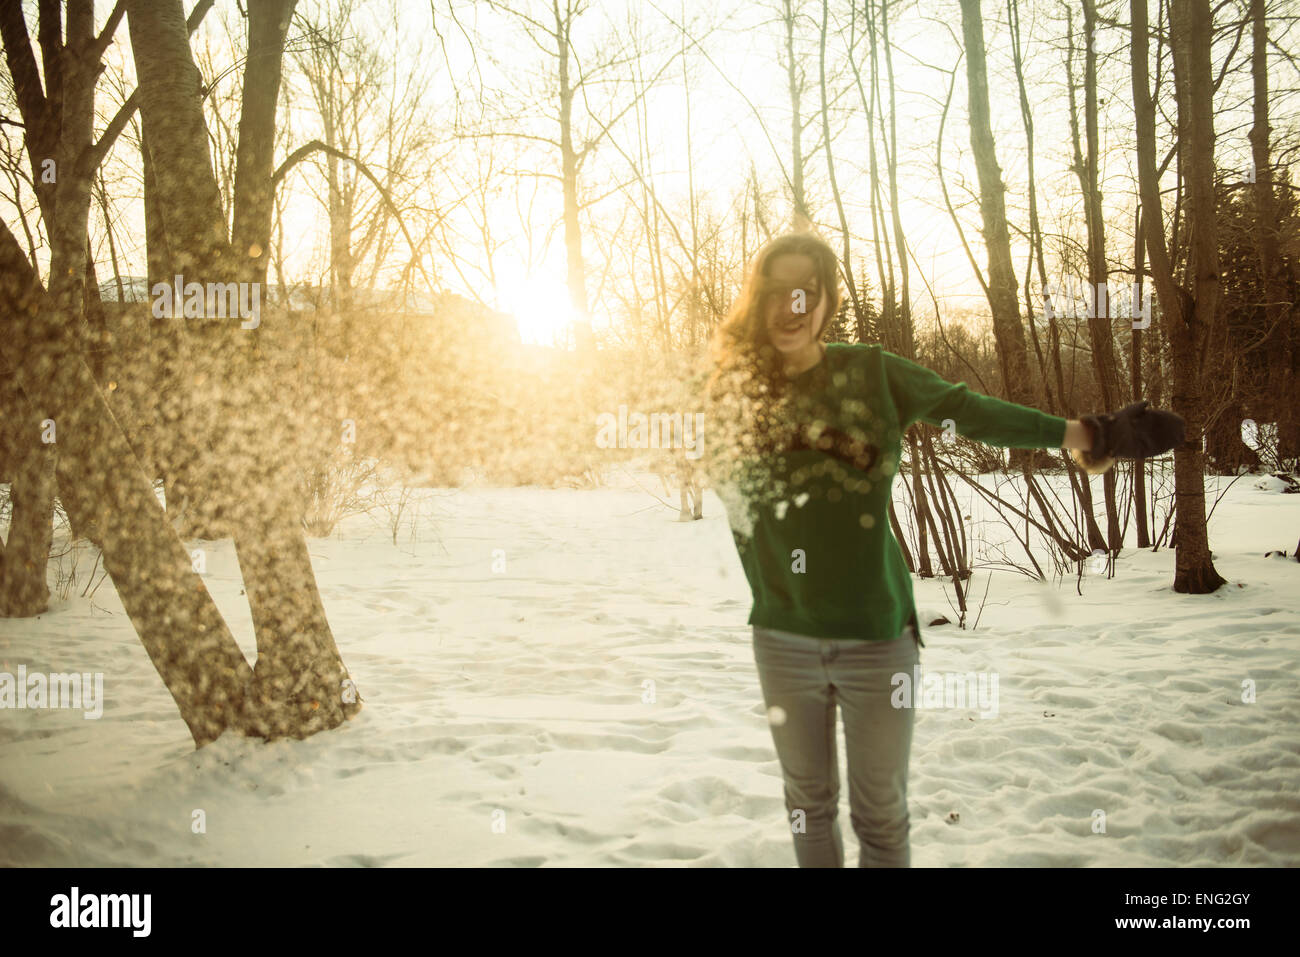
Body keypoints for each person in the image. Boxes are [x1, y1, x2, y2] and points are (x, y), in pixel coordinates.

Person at [699, 231, 1184, 867]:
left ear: (826, 302)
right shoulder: (735, 394)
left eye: (806, 292)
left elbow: (967, 410)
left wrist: (1087, 433)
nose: (790, 306)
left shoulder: (872, 373)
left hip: (877, 639)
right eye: (775, 291)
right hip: (783, 640)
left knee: (879, 815)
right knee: (807, 805)